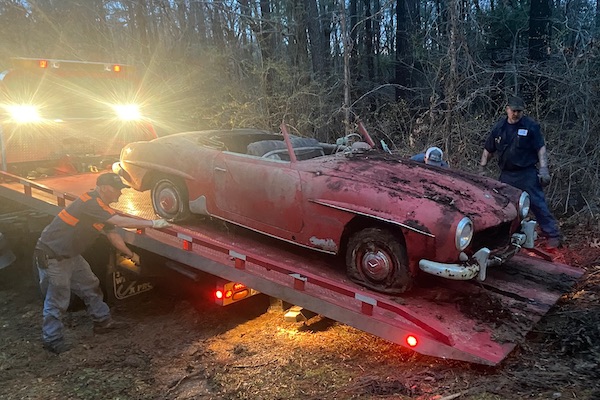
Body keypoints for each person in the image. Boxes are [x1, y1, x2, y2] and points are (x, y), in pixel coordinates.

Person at [33, 172, 172, 354]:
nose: (120, 194)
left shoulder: (101, 208)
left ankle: (102, 322)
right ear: (105, 188)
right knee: (57, 300)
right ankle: (52, 340)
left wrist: (131, 255)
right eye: (117, 190)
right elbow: (118, 221)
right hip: (54, 257)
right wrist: (153, 223)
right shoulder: (91, 202)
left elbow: (113, 235)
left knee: (91, 285)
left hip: (71, 255)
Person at [479, 96, 561, 248]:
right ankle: (510, 237)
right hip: (507, 175)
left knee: (537, 203)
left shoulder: (530, 126)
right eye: (513, 110)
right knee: (506, 207)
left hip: (527, 173)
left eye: (519, 111)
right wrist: (482, 169)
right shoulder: (499, 128)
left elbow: (540, 148)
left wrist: (543, 169)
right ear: (507, 109)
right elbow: (488, 149)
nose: (516, 114)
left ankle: (552, 235)